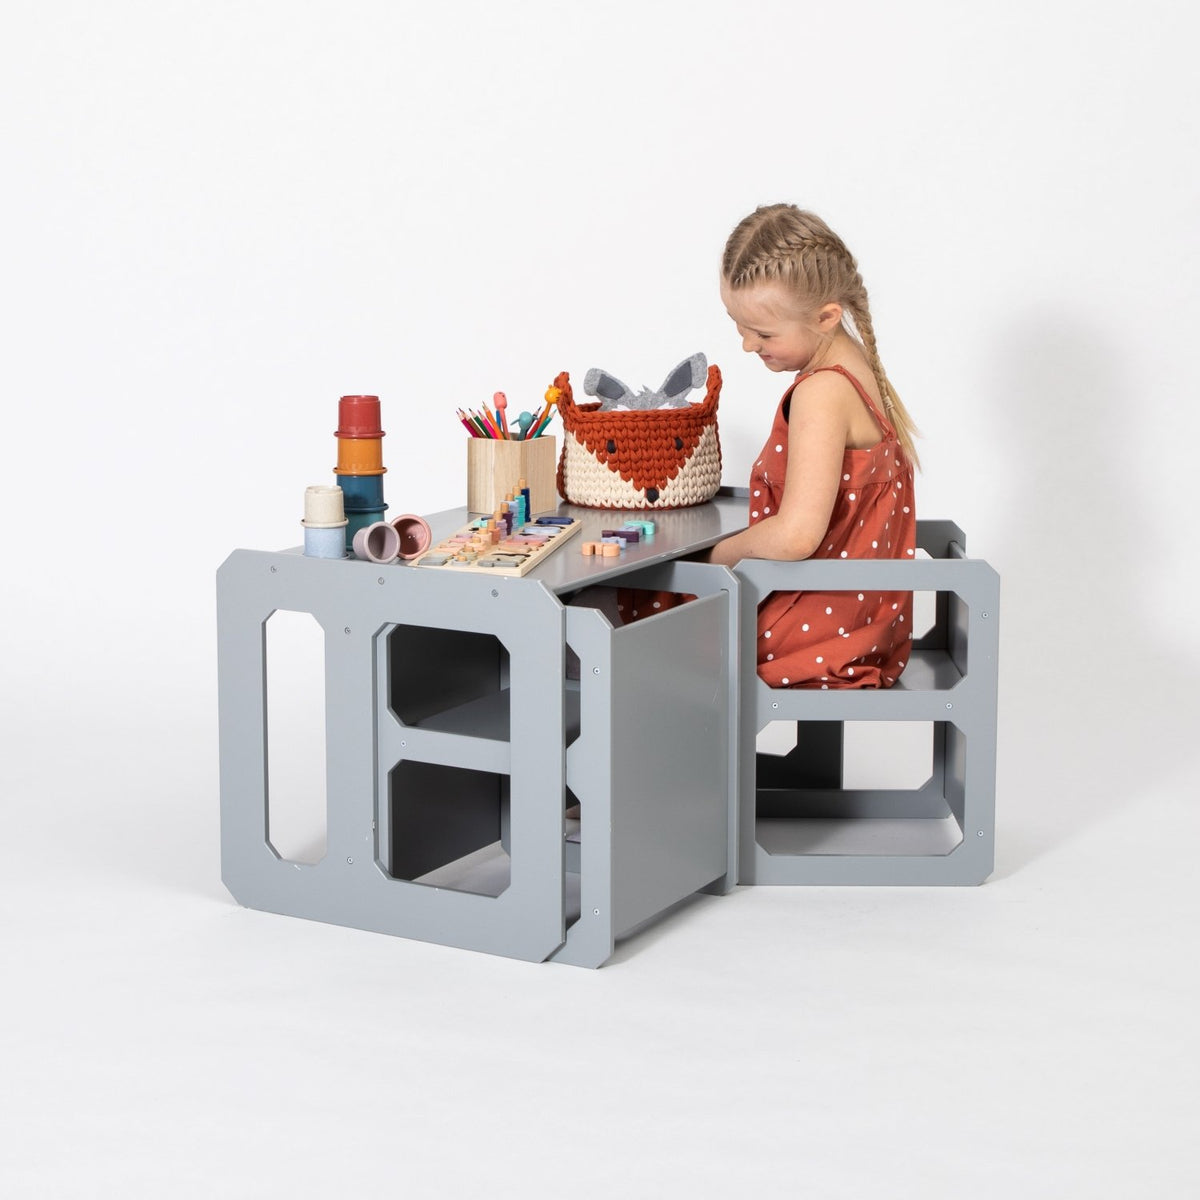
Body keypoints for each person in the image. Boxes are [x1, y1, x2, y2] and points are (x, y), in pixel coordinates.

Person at [701, 202, 920, 688]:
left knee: (631, 619)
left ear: (825, 317)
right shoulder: (857, 368)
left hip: (819, 626)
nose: (747, 345)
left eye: (762, 332)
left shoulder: (822, 392)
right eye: (738, 325)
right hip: (864, 622)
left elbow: (797, 534)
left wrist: (713, 557)